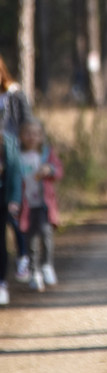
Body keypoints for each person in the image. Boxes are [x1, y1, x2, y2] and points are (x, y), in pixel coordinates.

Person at [19, 118, 63, 292]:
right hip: (26, 206)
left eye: (36, 134)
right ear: (21, 136)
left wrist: (49, 170)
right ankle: (34, 272)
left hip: (44, 204)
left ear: (41, 136)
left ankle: (47, 265)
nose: (32, 137)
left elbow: (58, 171)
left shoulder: (46, 154)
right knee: (31, 240)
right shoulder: (17, 156)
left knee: (46, 234)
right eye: (28, 133)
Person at [0, 55, 31, 281]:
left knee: (15, 213)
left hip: (15, 157)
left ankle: (23, 255)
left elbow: (26, 123)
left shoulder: (14, 94)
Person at [0, 129, 23, 305]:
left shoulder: (9, 141)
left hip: (3, 198)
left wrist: (15, 199)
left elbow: (15, 171)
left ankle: (2, 283)